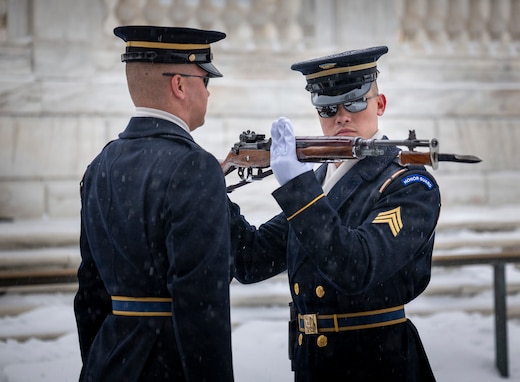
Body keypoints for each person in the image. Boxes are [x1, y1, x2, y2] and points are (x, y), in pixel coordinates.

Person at [231, 47, 441, 381]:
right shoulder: (319, 184)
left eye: (355, 102)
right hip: (313, 364)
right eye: (328, 107)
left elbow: (356, 267)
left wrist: (298, 188)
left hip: (376, 364)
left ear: (380, 104)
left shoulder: (409, 184)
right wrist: (210, 188)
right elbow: (250, 261)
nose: (341, 116)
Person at [74, 25, 234, 381]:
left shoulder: (101, 164)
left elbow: (89, 292)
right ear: (179, 85)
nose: (208, 94)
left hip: (109, 362)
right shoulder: (194, 166)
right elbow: (200, 303)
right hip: (167, 366)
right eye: (205, 81)